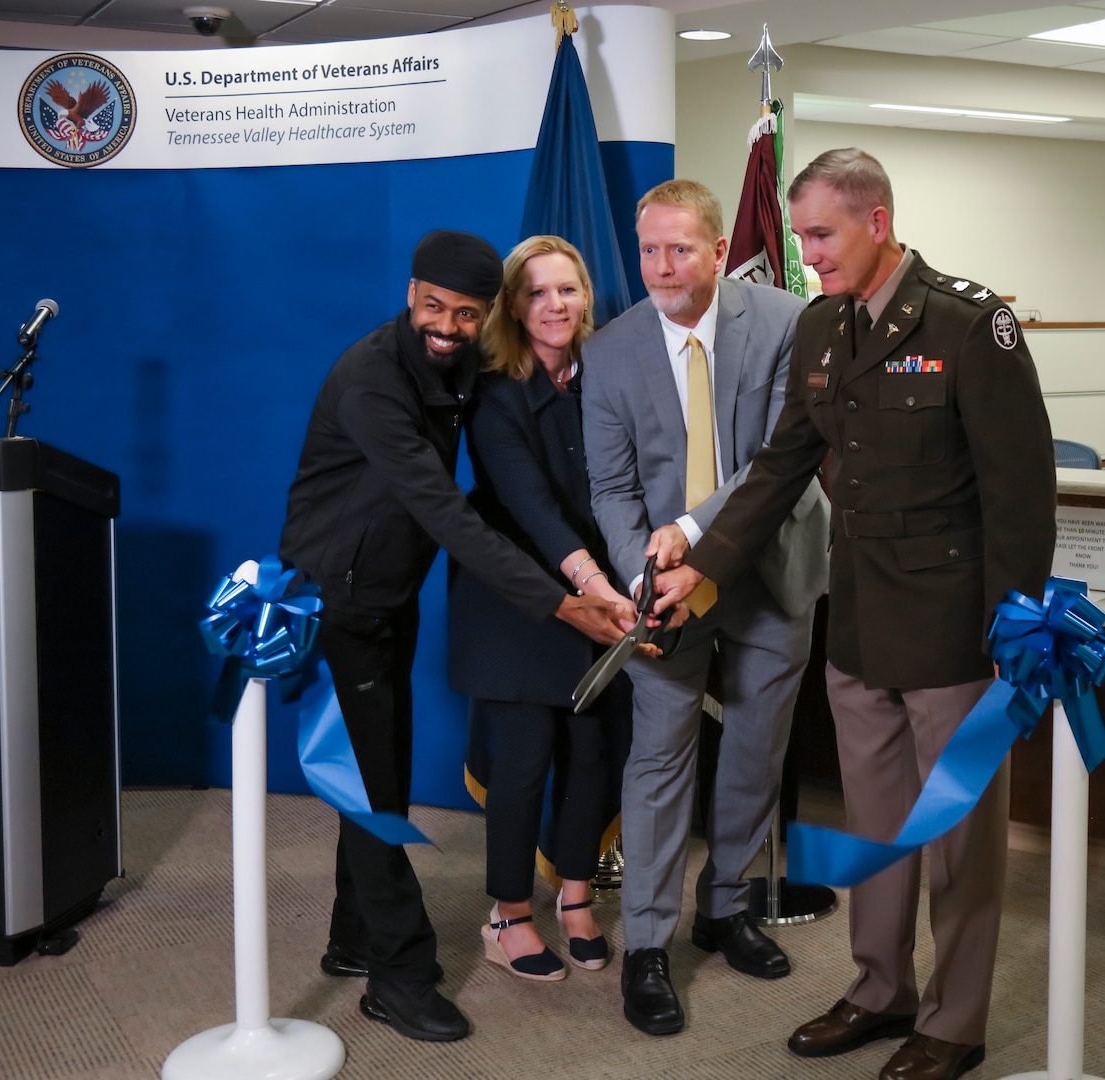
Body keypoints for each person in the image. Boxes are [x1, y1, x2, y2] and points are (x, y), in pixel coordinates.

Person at [652, 148, 1057, 1080]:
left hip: (958, 631)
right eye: (799, 235)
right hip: (862, 621)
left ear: (877, 222)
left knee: (957, 842)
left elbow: (1020, 492)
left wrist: (1014, 629)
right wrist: (703, 564)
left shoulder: (967, 322)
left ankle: (955, 1023)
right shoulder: (824, 329)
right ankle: (882, 991)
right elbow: (781, 465)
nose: (809, 255)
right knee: (876, 831)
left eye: (823, 235)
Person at [278, 229, 631, 1043]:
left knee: (377, 778)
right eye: (435, 307)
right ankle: (398, 978)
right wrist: (562, 602)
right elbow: (446, 513)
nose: (448, 325)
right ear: (411, 296)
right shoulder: (371, 379)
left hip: (387, 594)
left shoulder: (460, 362)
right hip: (335, 598)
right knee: (372, 789)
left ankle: (351, 939)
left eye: (466, 314)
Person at [581, 179, 830, 1036]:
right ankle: (648, 942)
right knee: (659, 757)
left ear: (720, 250)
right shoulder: (610, 352)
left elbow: (778, 464)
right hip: (665, 593)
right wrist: (641, 577)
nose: (661, 266)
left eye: (679, 248)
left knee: (757, 747)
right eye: (648, 249)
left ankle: (726, 908)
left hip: (770, 566)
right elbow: (611, 488)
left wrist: (690, 536)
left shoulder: (784, 322)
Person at [448, 235, 638, 983]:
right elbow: (530, 506)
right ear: (512, 306)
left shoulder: (608, 379)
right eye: (535, 293)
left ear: (586, 296)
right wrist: (596, 586)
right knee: (523, 758)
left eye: (566, 290)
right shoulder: (494, 392)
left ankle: (576, 897)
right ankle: (509, 915)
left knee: (593, 751)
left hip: (602, 590)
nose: (553, 305)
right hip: (519, 599)